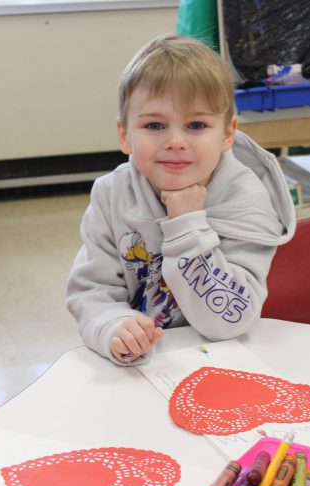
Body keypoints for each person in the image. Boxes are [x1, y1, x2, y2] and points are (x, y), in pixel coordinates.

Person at [66, 34, 296, 365]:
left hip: (231, 361)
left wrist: (186, 224)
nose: (175, 141)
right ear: (124, 134)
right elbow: (91, 291)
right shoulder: (111, 193)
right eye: (155, 125)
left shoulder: (247, 199)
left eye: (196, 125)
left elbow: (228, 321)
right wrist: (112, 326)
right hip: (143, 368)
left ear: (227, 133)